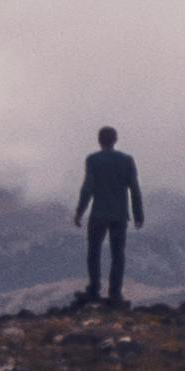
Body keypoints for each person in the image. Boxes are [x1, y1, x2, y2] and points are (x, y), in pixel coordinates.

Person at [75, 126, 143, 306]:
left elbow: (87, 188)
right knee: (118, 254)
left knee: (94, 252)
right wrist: (138, 213)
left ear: (99, 140)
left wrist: (80, 211)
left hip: (98, 213)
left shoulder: (93, 160)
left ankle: (94, 289)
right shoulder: (127, 160)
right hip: (119, 215)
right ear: (115, 140)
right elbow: (134, 188)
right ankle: (115, 293)